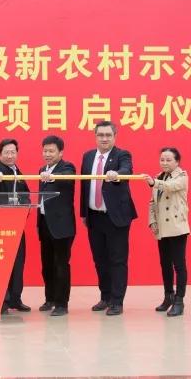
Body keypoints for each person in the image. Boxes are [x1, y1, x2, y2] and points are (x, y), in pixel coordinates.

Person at [80, 121, 137, 316]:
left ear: (114, 137)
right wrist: (84, 213)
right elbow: (84, 186)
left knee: (117, 260)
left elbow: (127, 171)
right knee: (100, 260)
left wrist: (117, 174)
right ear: (95, 136)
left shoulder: (122, 155)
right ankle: (105, 297)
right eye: (100, 135)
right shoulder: (88, 156)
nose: (104, 139)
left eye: (108, 135)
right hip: (94, 216)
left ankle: (117, 301)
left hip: (115, 217)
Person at [143, 147, 190, 317]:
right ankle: (168, 296)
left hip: (176, 227)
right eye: (162, 159)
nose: (164, 163)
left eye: (169, 160)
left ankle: (179, 301)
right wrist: (152, 221)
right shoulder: (159, 177)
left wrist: (154, 183)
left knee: (179, 265)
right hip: (162, 228)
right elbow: (152, 202)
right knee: (165, 264)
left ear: (177, 162)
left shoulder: (182, 177)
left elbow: (171, 187)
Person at [0, 138, 31, 313]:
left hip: (17, 223)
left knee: (18, 263)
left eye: (13, 152)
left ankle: (15, 299)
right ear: (0, 154)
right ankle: (2, 301)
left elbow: (27, 194)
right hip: (2, 225)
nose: (10, 155)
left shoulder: (17, 171)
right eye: (6, 152)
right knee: (4, 264)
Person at [37, 135, 76, 316]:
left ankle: (62, 304)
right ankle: (50, 298)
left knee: (61, 265)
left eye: (51, 151)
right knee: (47, 265)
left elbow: (67, 178)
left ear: (61, 153)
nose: (47, 154)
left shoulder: (67, 167)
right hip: (45, 223)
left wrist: (51, 177)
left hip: (62, 226)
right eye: (45, 151)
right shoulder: (42, 169)